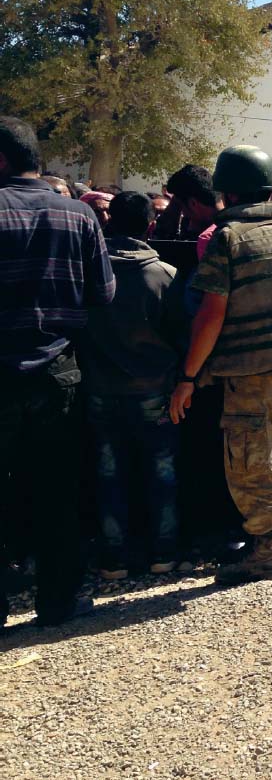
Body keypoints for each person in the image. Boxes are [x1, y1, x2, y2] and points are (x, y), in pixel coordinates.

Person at [169, 144, 272, 585]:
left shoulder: (229, 237)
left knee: (250, 456)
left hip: (252, 364)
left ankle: (265, 552)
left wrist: (188, 376)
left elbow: (211, 314)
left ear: (225, 191)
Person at [0, 116, 114, 628]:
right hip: (58, 372)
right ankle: (57, 602)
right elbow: (103, 294)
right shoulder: (78, 216)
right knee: (57, 489)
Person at [79, 192, 186, 579]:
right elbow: (180, 335)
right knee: (161, 472)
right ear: (151, 226)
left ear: (107, 222)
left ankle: (114, 559)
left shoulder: (87, 271)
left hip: (99, 389)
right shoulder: (164, 275)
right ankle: (163, 553)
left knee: (108, 474)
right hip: (155, 391)